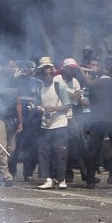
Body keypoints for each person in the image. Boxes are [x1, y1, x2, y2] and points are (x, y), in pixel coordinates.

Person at [85, 63, 112, 188]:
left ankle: (90, 179)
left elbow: (91, 102)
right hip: (111, 119)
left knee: (93, 150)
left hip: (96, 119)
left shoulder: (94, 84)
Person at [34, 57, 71, 189]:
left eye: (49, 72)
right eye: (44, 72)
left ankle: (61, 179)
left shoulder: (58, 86)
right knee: (44, 152)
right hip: (45, 124)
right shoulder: (39, 88)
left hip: (60, 124)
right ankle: (48, 178)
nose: (47, 75)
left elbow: (68, 105)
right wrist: (38, 108)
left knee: (60, 152)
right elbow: (38, 103)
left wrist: (54, 108)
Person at [11, 60, 42, 181]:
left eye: (28, 68)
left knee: (32, 145)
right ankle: (11, 172)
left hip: (33, 116)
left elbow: (41, 98)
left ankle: (28, 172)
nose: (25, 70)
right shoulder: (15, 81)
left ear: (33, 70)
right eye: (23, 68)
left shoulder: (38, 83)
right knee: (15, 146)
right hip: (18, 115)